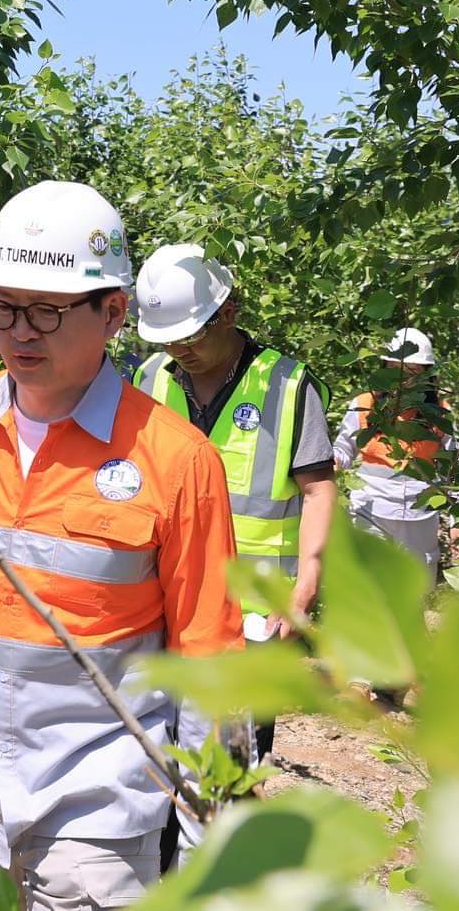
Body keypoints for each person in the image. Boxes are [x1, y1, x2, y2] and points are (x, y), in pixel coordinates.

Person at [0, 182, 241, 911]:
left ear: (114, 312)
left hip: (98, 809)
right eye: (5, 306)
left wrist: (205, 833)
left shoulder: (177, 460)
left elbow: (210, 661)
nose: (20, 332)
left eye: (47, 309)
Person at [130, 246, 338, 639]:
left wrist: (305, 586)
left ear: (227, 314)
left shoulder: (287, 386)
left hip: (256, 613)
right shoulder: (149, 377)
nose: (178, 351)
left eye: (189, 336)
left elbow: (318, 491)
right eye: (167, 340)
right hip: (162, 602)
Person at [334, 328, 453, 583]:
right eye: (396, 368)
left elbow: (451, 466)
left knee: (416, 585)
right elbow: (343, 449)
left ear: (426, 374)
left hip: (419, 513)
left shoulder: (440, 413)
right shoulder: (365, 403)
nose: (404, 378)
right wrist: (332, 463)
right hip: (371, 507)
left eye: (413, 370)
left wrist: (458, 517)